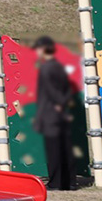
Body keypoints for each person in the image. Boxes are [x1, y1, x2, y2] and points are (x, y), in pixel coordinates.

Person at [32, 35, 75, 191]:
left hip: (50, 112)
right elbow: (67, 90)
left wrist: (58, 103)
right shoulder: (58, 66)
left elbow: (50, 90)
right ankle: (70, 182)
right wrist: (63, 104)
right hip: (62, 114)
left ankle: (55, 183)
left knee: (53, 150)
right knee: (65, 148)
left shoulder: (46, 68)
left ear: (43, 49)